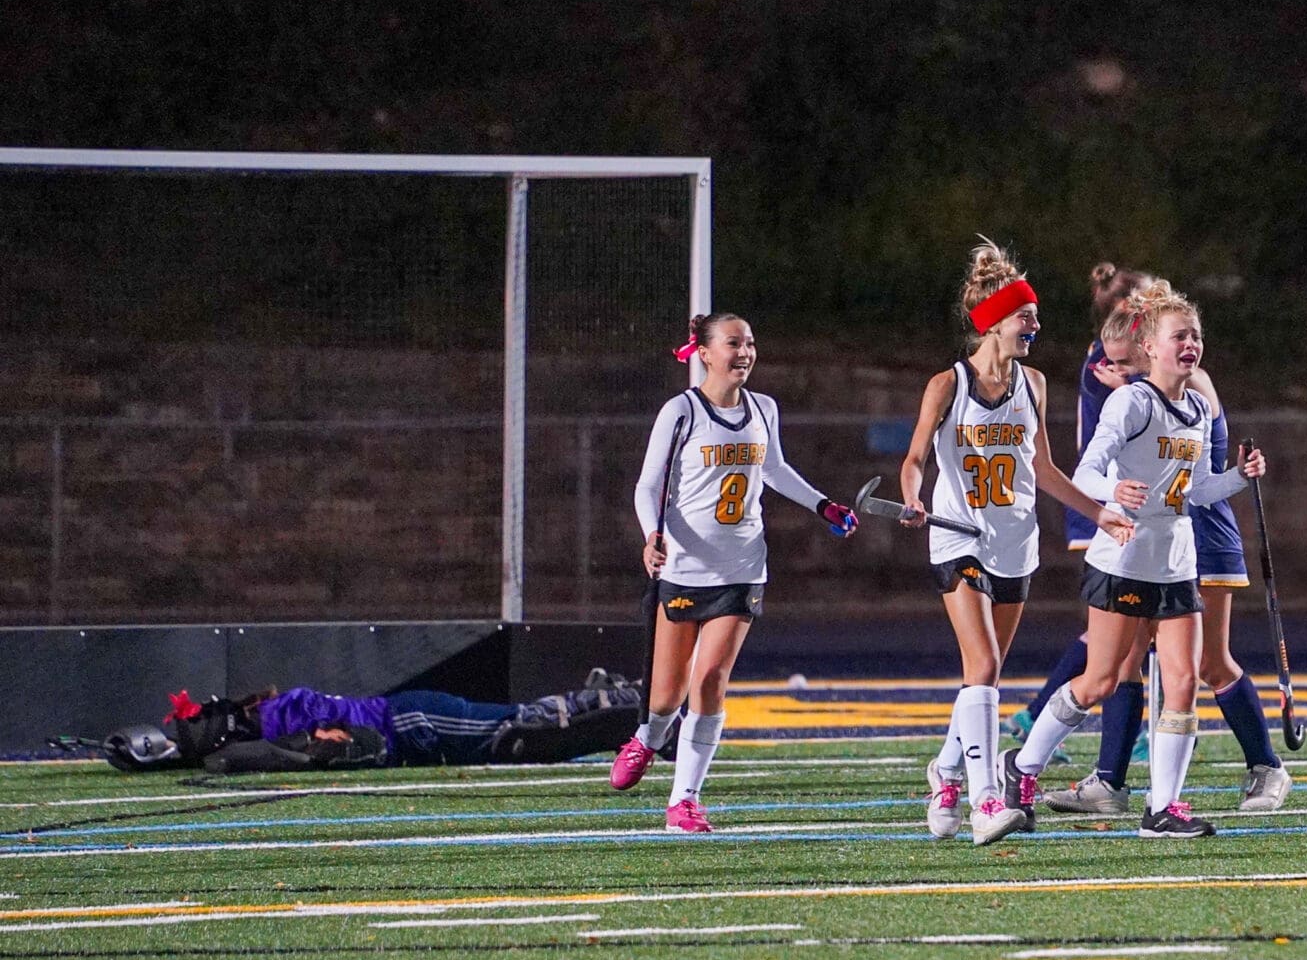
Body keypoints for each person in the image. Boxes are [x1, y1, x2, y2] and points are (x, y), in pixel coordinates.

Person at [1011, 277, 1268, 838]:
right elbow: (1085, 470)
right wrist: (1113, 491)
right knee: (1099, 681)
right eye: (1179, 336)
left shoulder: (1198, 409)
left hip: (1175, 563)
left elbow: (1195, 491)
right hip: (1123, 559)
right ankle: (1023, 769)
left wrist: (1238, 479)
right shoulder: (1132, 400)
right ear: (1151, 347)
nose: (1190, 345)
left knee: (1180, 681)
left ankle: (1163, 807)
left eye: (1195, 336)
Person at [897, 239, 1134, 846]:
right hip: (958, 540)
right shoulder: (946, 385)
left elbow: (1045, 470)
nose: (1035, 324)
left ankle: (944, 771)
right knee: (981, 667)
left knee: (987, 672)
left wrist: (1099, 512)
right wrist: (915, 496)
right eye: (1025, 315)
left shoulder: (1034, 383)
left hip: (1014, 545)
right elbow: (916, 457)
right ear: (992, 321)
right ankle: (983, 804)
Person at [608, 313, 858, 830]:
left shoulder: (763, 408)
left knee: (711, 681)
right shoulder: (681, 412)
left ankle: (685, 800)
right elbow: (646, 485)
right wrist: (650, 536)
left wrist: (823, 506)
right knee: (665, 696)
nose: (744, 352)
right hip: (684, 566)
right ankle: (650, 736)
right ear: (704, 351)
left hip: (743, 568)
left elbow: (775, 469)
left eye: (750, 343)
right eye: (733, 343)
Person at [1003, 263, 1149, 759]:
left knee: (1125, 631)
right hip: (1104, 504)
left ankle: (1048, 716)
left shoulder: (1126, 364)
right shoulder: (1110, 364)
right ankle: (1045, 718)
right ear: (1132, 311)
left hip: (1114, 503)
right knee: (1119, 631)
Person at [109, 671, 644, 773]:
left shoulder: (278, 714)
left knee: (518, 728)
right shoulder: (268, 720)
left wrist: (319, 740)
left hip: (414, 721)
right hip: (413, 729)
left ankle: (620, 699)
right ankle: (605, 697)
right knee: (517, 732)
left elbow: (330, 735)